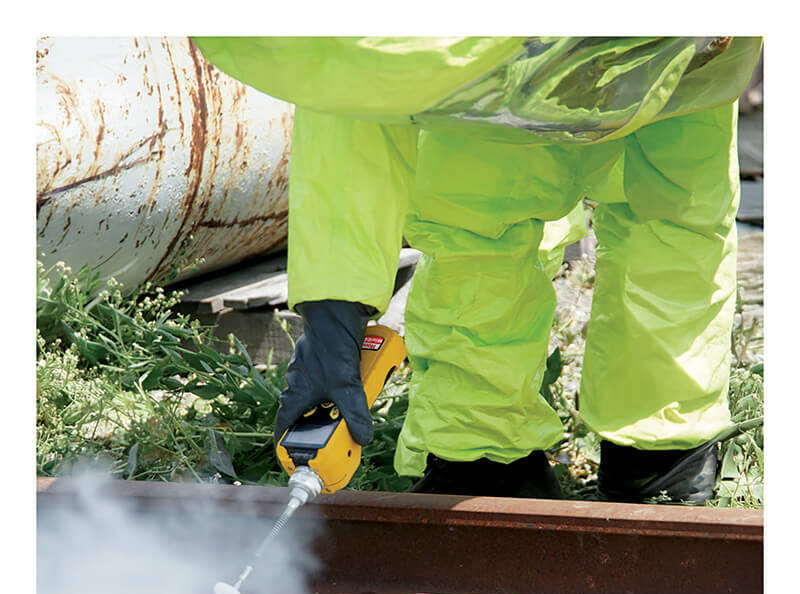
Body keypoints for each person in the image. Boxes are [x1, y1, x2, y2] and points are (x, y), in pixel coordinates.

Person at [192, 36, 763, 504]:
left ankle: (657, 450)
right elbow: (346, 95)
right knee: (477, 207)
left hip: (678, 43)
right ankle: (484, 452)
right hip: (482, 54)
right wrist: (331, 309)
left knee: (670, 208)